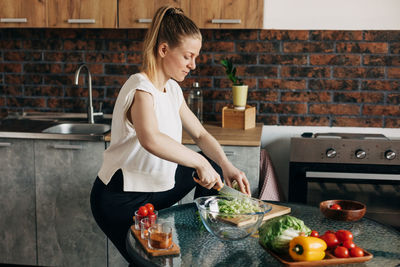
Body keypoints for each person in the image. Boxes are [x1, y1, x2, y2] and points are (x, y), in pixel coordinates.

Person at [90, 5, 251, 264]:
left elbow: (199, 133)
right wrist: (198, 162)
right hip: (120, 199)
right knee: (148, 261)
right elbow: (150, 138)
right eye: (188, 56)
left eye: (195, 57)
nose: (193, 65)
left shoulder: (172, 90)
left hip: (156, 190)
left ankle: (203, 242)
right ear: (164, 50)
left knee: (211, 165)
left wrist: (225, 164)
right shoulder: (140, 89)